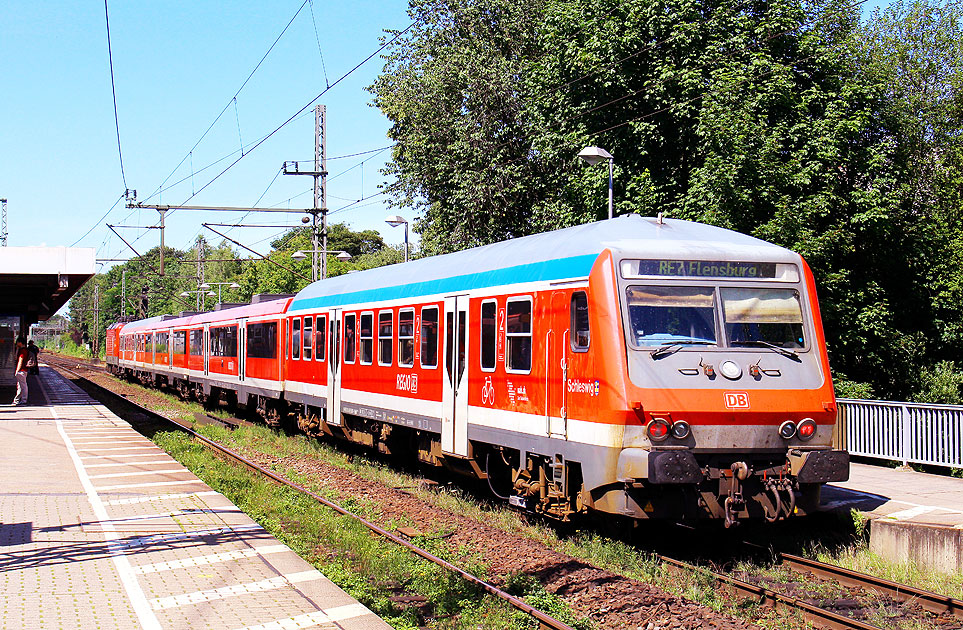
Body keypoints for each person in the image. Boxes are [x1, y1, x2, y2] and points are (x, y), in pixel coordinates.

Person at [13, 336, 29, 405]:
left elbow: (20, 360)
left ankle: (24, 400)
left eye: (17, 342)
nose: (16, 343)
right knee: (20, 386)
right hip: (23, 370)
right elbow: (16, 357)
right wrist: (17, 349)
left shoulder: (23, 351)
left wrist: (17, 370)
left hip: (21, 370)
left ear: (20, 342)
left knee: (23, 386)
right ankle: (17, 400)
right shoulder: (22, 350)